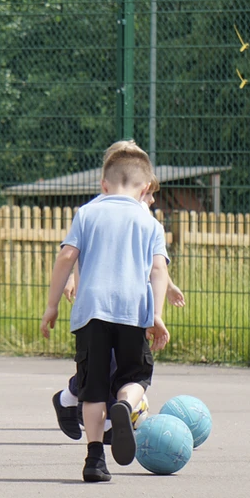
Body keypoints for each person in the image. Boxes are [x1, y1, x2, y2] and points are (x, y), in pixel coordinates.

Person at [41, 140, 170, 482]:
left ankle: (94, 460)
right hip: (133, 312)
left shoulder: (87, 213)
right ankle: (126, 405)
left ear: (103, 185)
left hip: (91, 313)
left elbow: (66, 257)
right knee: (134, 377)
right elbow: (158, 270)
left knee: (94, 389)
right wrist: (157, 315)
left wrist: (52, 305)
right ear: (145, 189)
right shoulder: (150, 224)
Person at [52, 177, 185, 442]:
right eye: (149, 196)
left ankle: (102, 424)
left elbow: (155, 264)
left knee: (110, 368)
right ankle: (107, 410)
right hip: (105, 307)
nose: (151, 201)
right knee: (113, 370)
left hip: (126, 308)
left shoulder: (137, 216)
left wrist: (167, 286)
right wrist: (69, 281)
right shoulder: (96, 211)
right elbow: (78, 254)